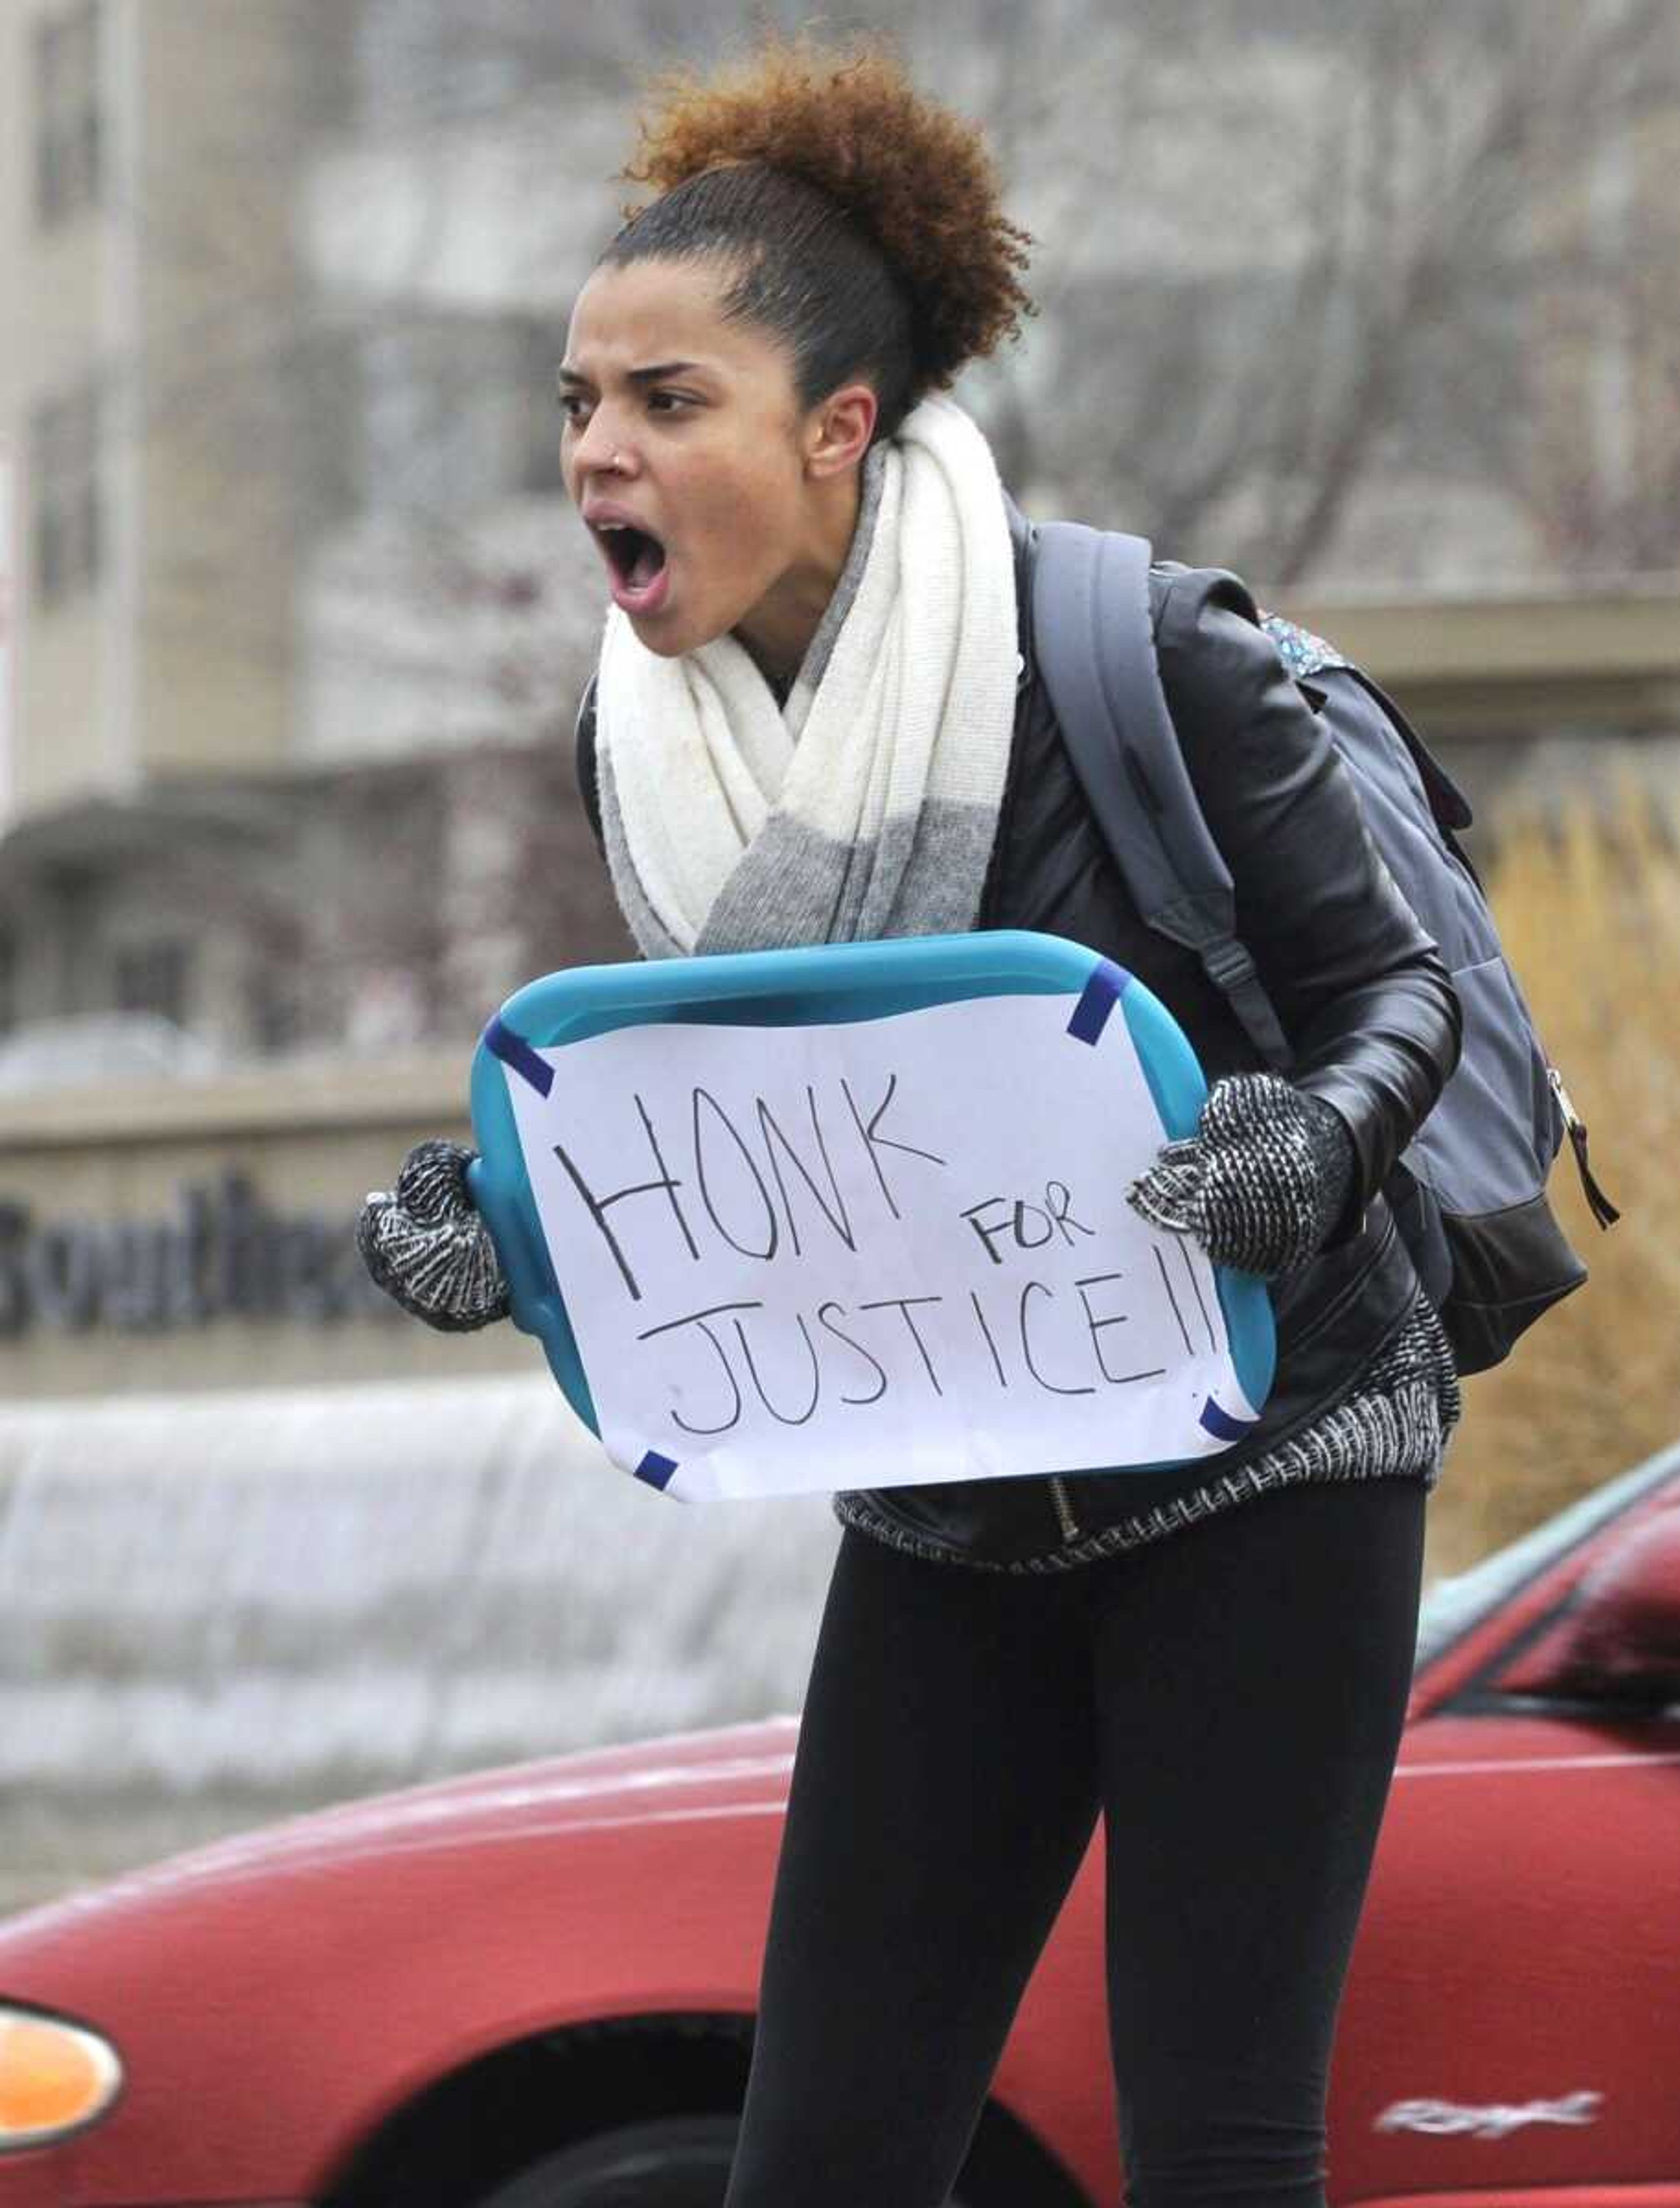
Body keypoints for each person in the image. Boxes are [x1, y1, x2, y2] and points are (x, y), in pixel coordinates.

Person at [357, 32, 1465, 2208]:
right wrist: (505, 1220)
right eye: (579, 404)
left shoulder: (1137, 651)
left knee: (1217, 2155)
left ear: (839, 428)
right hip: (945, 1503)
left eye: (667, 404)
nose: (600, 451)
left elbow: (1394, 992)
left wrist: (1310, 1147)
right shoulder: (653, 741)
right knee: (825, 2159)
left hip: (1270, 1470)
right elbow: (741, 1127)